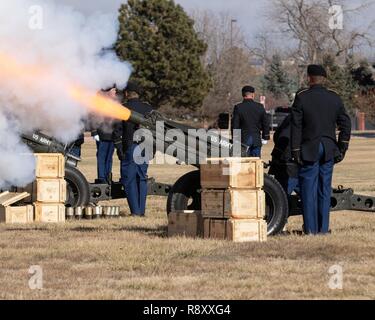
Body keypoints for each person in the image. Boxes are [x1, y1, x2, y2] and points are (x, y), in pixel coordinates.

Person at [291, 65, 352, 235]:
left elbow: (296, 126)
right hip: (328, 147)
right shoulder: (334, 98)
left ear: (309, 78)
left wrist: (295, 149)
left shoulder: (302, 97)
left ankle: (311, 229)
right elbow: (346, 124)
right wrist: (342, 146)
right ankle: (323, 229)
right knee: (325, 189)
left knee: (308, 189)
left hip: (309, 146)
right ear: (324, 79)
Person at [113, 82, 153, 217]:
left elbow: (117, 132)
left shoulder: (123, 108)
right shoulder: (148, 109)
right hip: (145, 147)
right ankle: (141, 211)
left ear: (126, 94)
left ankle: (135, 211)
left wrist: (119, 149)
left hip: (130, 146)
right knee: (142, 178)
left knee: (129, 179)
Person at [232, 86, 270, 157]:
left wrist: (235, 139)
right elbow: (265, 122)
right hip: (256, 139)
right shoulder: (260, 106)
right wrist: (265, 136)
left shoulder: (238, 107)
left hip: (244, 139)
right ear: (253, 94)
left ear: (243, 95)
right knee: (256, 163)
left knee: (244, 162)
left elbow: (235, 125)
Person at [91, 87, 118, 184]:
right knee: (102, 157)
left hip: (112, 135)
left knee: (109, 158)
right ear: (108, 92)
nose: (115, 92)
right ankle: (102, 177)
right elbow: (93, 117)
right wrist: (94, 132)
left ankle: (108, 177)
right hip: (102, 134)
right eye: (113, 90)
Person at [269, 111, 299, 196]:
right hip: (288, 160)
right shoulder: (296, 118)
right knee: (282, 194)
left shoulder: (291, 116)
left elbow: (277, 135)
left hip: (284, 157)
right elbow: (283, 136)